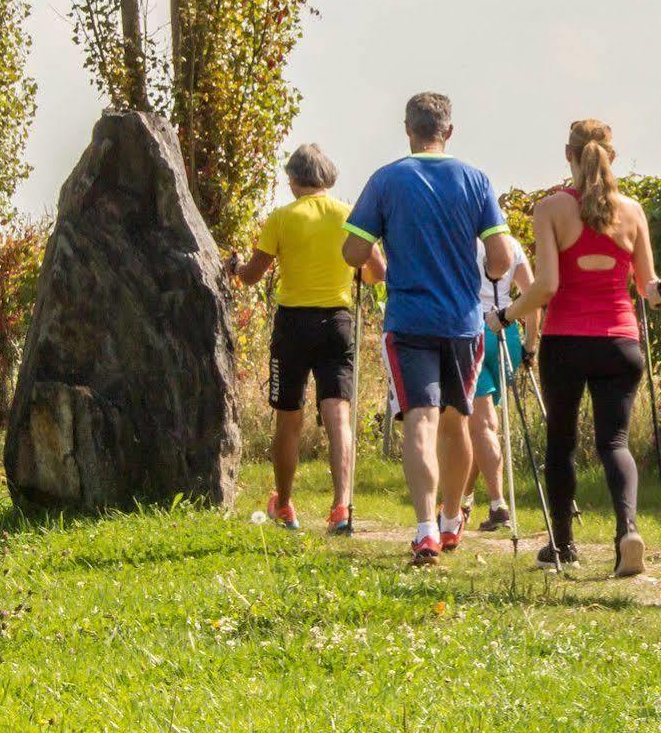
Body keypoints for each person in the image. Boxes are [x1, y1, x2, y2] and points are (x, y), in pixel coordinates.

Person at [342, 93, 517, 568]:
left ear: (407, 129)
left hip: (409, 320)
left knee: (420, 419)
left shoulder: (386, 179)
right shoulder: (476, 180)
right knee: (458, 420)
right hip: (462, 321)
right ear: (449, 131)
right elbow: (500, 257)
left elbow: (353, 253)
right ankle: (451, 518)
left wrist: (379, 252)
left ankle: (424, 531)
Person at [492, 119, 661, 576]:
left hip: (566, 342)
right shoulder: (634, 211)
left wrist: (506, 316)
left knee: (561, 443)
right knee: (615, 441)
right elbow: (647, 287)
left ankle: (563, 546)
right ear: (613, 158)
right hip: (620, 341)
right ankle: (627, 529)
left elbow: (547, 285)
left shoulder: (550, 209)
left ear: (568, 155)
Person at [226, 144, 383, 536]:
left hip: (293, 324)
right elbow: (376, 272)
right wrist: (355, 274)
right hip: (337, 321)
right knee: (339, 415)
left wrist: (234, 269)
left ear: (293, 180)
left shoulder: (281, 218)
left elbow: (252, 275)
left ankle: (284, 504)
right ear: (328, 178)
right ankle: (341, 508)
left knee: (289, 417)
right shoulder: (348, 214)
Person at [465, 232, 535, 533]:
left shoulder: (462, 241)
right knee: (486, 428)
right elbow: (533, 296)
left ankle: (498, 503)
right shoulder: (512, 245)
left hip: (472, 331)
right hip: (507, 334)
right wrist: (532, 344)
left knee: (483, 426)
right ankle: (462, 500)